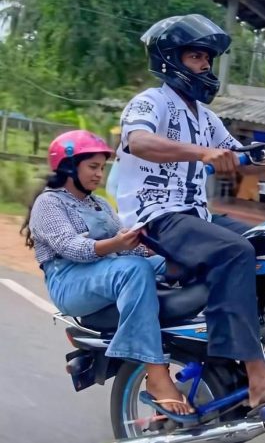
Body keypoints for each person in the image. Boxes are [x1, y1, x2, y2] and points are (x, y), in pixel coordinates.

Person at [116, 14, 265, 414]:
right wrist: (203, 153)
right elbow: (138, 142)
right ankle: (258, 378)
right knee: (235, 251)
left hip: (196, 217)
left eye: (208, 58)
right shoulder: (150, 102)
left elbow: (241, 160)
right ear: (170, 59)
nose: (206, 65)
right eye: (196, 56)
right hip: (156, 216)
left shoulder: (206, 118)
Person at [21, 130, 194, 416]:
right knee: (134, 270)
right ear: (68, 166)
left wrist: (155, 248)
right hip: (69, 280)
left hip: (108, 269)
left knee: (180, 263)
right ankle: (155, 372)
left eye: (102, 167)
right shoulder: (49, 203)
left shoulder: (99, 204)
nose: (99, 174)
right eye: (93, 167)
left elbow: (128, 249)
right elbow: (72, 248)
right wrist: (118, 244)